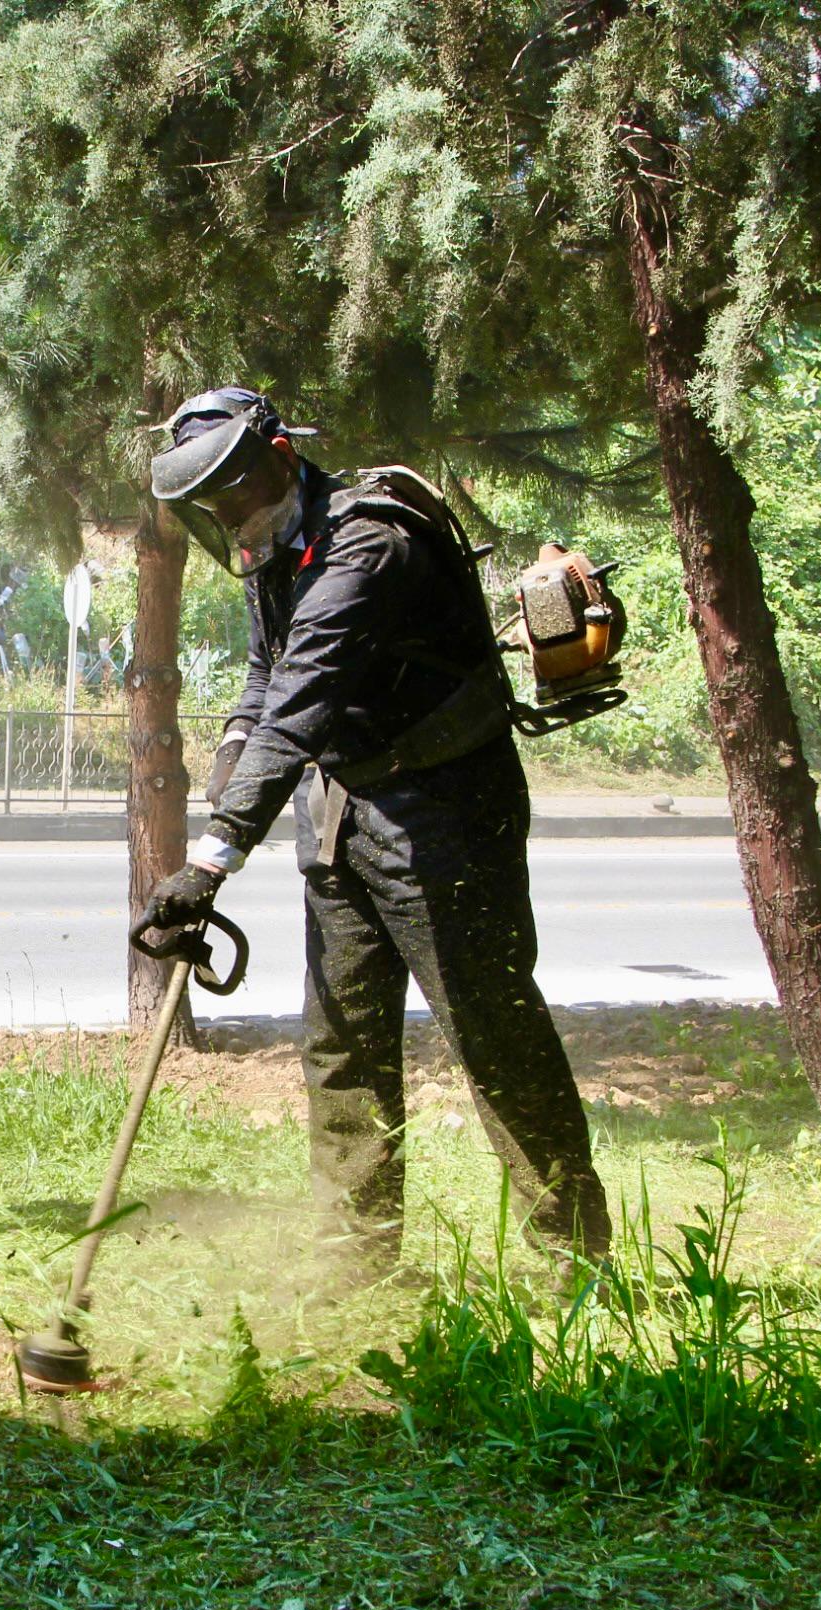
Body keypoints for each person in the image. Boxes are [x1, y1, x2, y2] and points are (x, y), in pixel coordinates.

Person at [139, 386, 610, 1261]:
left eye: (236, 493)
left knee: (493, 1035)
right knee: (341, 1047)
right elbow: (265, 681)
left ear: (280, 457)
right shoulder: (275, 546)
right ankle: (358, 1265)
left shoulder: (368, 541)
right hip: (341, 812)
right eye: (214, 505)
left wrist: (212, 858)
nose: (231, 517)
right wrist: (230, 772)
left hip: (445, 812)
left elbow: (304, 695)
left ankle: (572, 1260)